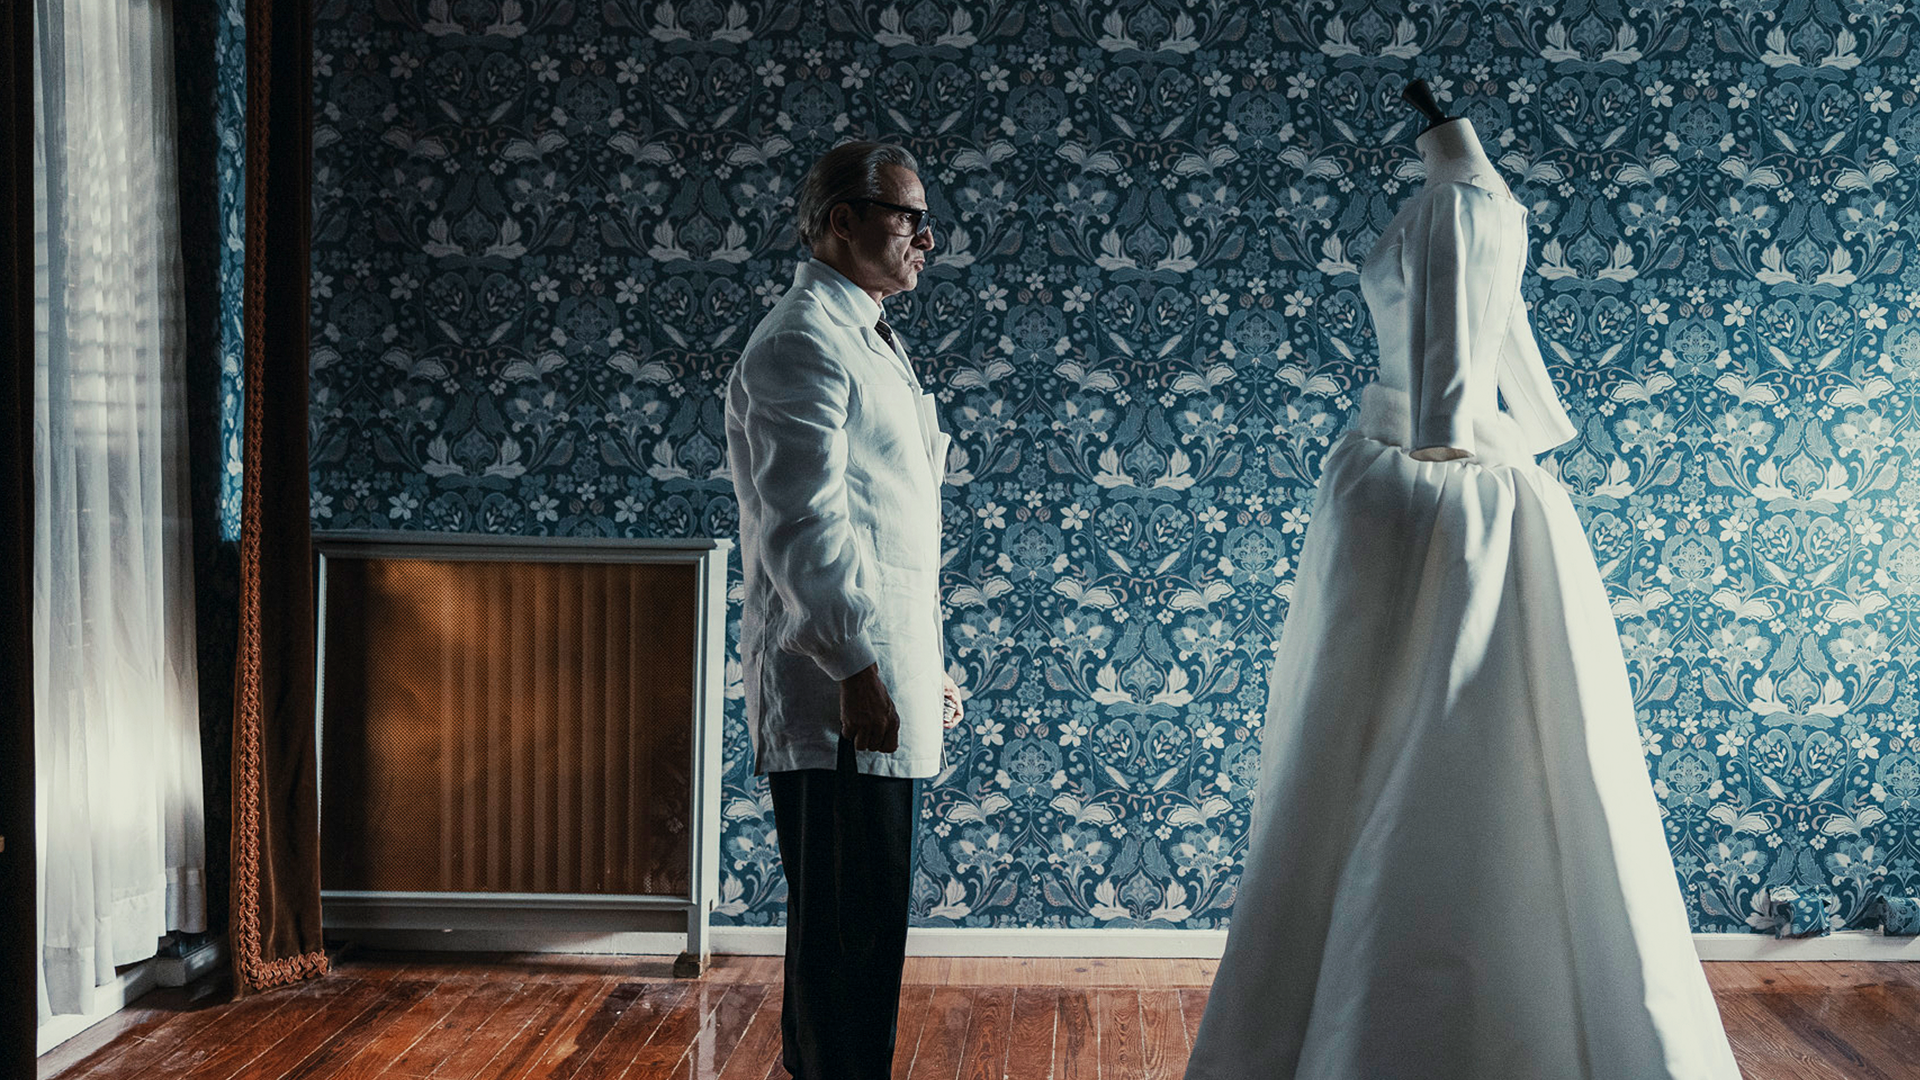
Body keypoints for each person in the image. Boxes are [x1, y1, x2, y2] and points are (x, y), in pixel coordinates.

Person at [1182, 101, 1742, 1079]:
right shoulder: (1486, 201)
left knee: (1416, 728)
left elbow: (1453, 373)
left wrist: (1444, 447)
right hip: (1431, 468)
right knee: (1370, 731)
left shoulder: (1457, 209)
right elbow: (1511, 347)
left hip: (1427, 481)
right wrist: (1530, 430)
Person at [724, 140, 963, 1080]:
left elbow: (887, 529)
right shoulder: (800, 343)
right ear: (840, 222)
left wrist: (917, 662)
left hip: (873, 670)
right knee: (845, 926)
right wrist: (861, 669)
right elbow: (803, 531)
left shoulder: (864, 336)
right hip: (836, 690)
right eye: (907, 217)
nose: (925, 239)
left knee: (861, 918)